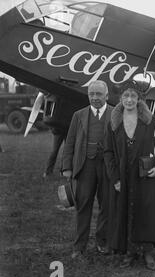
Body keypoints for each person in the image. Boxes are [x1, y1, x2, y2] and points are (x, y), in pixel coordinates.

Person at [104, 81, 155, 270]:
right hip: (123, 175)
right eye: (126, 96)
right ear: (120, 99)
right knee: (125, 212)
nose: (129, 100)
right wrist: (115, 178)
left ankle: (147, 251)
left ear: (139, 99)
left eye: (133, 96)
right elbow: (108, 152)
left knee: (146, 212)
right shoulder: (114, 121)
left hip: (145, 175)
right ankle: (129, 252)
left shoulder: (150, 119)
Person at [62, 80, 113, 259]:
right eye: (91, 94)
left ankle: (102, 241)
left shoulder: (116, 114)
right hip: (85, 166)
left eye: (99, 94)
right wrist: (67, 167)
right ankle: (79, 246)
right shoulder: (79, 115)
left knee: (107, 204)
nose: (95, 98)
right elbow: (69, 142)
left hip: (108, 167)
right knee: (83, 205)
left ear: (106, 95)